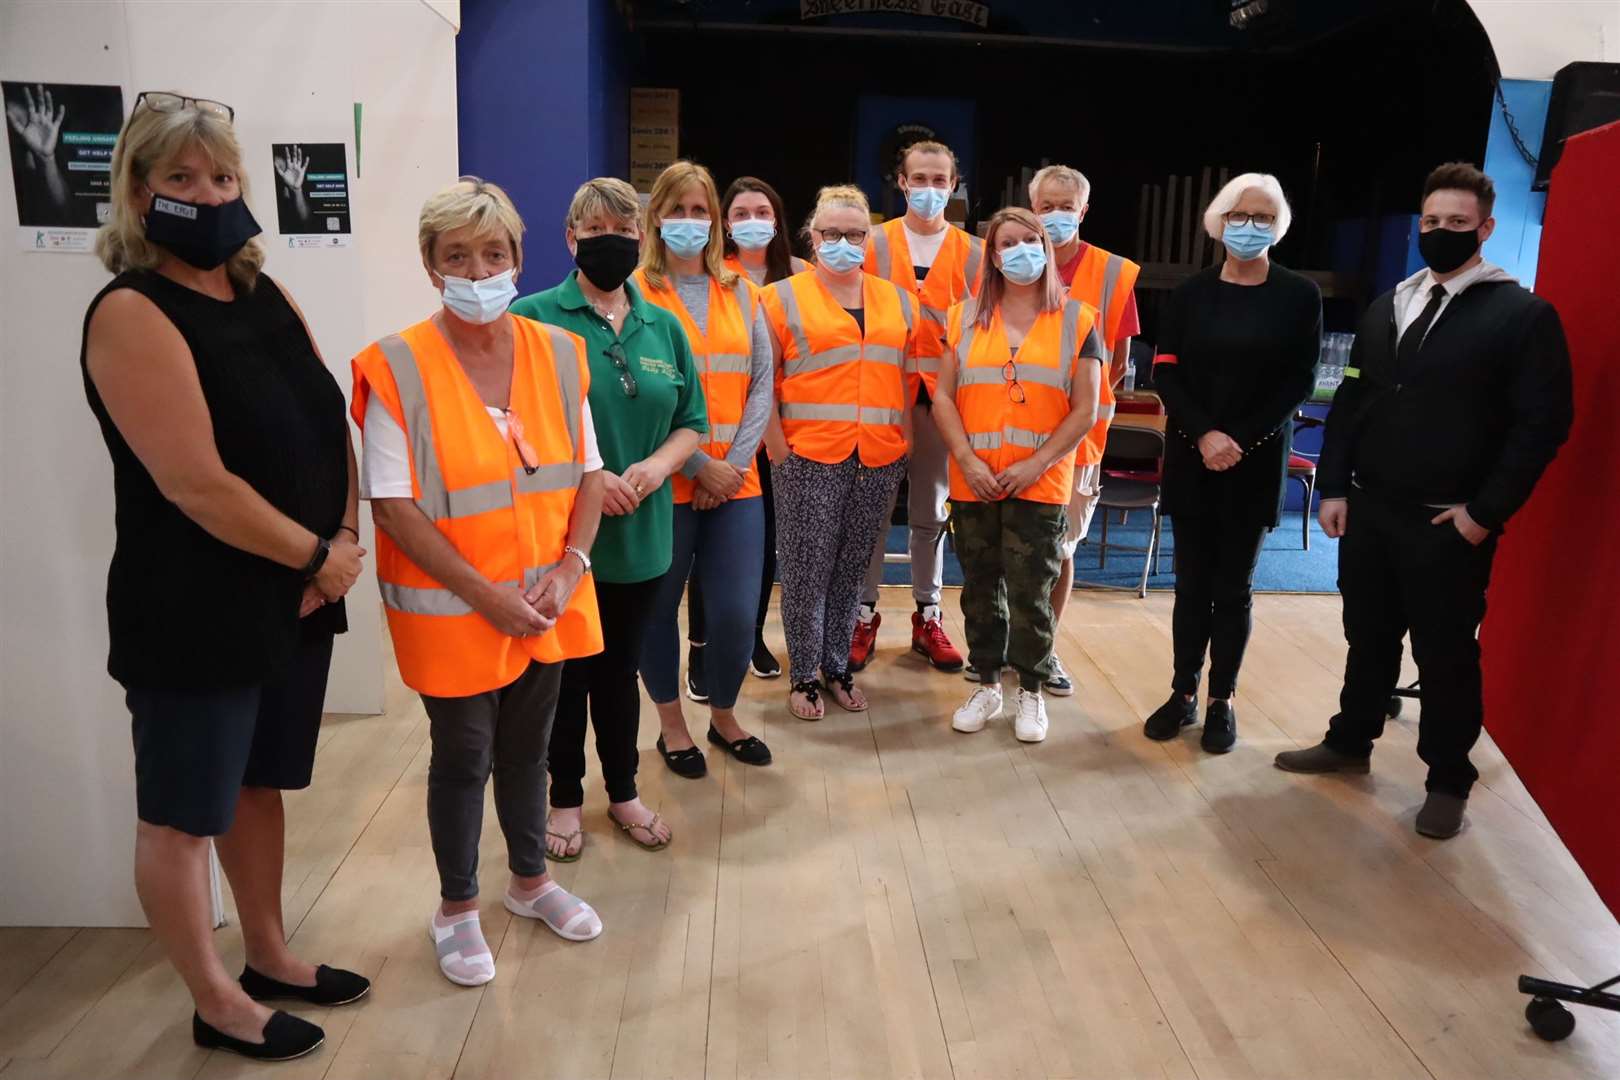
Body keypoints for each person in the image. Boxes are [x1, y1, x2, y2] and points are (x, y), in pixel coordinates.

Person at [82, 91, 367, 1062]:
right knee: (181, 812)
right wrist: (316, 555)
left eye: (223, 176)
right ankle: (213, 999)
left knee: (257, 787)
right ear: (136, 193)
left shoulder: (264, 292)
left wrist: (342, 532)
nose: (209, 194)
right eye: (181, 179)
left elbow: (329, 415)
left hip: (294, 598)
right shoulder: (131, 312)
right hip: (195, 609)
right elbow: (197, 484)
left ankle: (270, 955)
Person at [354, 177, 607, 987]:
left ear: (517, 259)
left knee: (530, 752)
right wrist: (489, 596)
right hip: (455, 611)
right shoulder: (397, 365)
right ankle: (456, 908)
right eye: (457, 255)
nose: (477, 268)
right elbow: (394, 509)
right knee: (464, 755)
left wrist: (571, 567)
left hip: (546, 604)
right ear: (431, 266)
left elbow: (589, 475)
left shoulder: (558, 352)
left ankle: (530, 883)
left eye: (493, 253)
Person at [1276, 163, 1573, 839]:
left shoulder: (1523, 317)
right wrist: (1331, 485)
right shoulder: (1390, 303)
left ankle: (1447, 779)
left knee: (1444, 656)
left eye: (1458, 224)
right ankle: (1350, 742)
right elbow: (1353, 399)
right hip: (1370, 509)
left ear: (1487, 228)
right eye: (1432, 222)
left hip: (1449, 521)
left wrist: (1482, 514)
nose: (1441, 233)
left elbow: (1543, 425)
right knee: (1367, 638)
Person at [510, 177, 706, 856]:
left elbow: (692, 423)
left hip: (644, 533)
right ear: (570, 239)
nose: (609, 242)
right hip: (564, 538)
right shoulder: (533, 317)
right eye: (594, 231)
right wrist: (591, 481)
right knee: (565, 676)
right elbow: (514, 427)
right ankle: (564, 798)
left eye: (623, 230)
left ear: (641, 239)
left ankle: (621, 792)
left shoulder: (664, 325)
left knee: (620, 672)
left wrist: (655, 469)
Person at [1143, 173, 1321, 754]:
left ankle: (1223, 700)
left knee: (1234, 587)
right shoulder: (1191, 293)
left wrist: (1238, 438)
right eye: (1241, 216)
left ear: (1280, 227)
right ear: (1219, 222)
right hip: (1195, 455)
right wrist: (1206, 434)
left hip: (1256, 458)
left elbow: (1301, 378)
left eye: (1264, 218)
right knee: (1190, 583)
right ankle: (1182, 692)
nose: (1250, 227)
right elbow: (1165, 369)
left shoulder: (1298, 295)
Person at [932, 208, 1104, 742]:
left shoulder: (1079, 318)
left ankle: (1031, 689)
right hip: (974, 480)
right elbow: (941, 396)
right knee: (980, 589)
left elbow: (1086, 409)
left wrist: (1037, 463)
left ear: (1047, 249)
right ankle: (987, 684)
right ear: (993, 255)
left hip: (1041, 482)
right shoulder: (961, 317)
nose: (1021, 249)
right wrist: (965, 459)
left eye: (1031, 239)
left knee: (1033, 590)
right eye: (1008, 242)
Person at [632, 162, 774, 778]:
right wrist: (697, 464)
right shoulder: (635, 290)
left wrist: (732, 465)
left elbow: (764, 381)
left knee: (738, 611)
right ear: (655, 217)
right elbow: (632, 390)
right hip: (666, 482)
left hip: (736, 484)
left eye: (700, 212)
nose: (689, 222)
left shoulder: (741, 289)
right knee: (657, 611)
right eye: (677, 210)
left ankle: (723, 715)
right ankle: (670, 725)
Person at [761, 184, 915, 720]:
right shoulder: (777, 298)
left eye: (855, 233)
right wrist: (778, 449)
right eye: (832, 233)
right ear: (813, 236)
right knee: (806, 568)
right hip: (806, 456)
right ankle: (803, 674)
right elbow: (762, 383)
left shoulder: (898, 300)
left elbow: (911, 376)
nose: (843, 242)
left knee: (852, 569)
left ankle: (837, 665)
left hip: (878, 455)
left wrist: (904, 442)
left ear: (869, 238)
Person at [852, 140, 983, 675]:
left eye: (940, 179)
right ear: (901, 183)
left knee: (931, 510)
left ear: (954, 185)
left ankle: (928, 612)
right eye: (919, 178)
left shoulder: (975, 252)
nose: (929, 188)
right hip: (881, 396)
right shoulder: (870, 243)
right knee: (874, 511)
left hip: (943, 400)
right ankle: (862, 612)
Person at [680, 175, 807, 696]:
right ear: (725, 224)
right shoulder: (714, 277)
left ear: (777, 219)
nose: (753, 221)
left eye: (763, 210)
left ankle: (750, 637)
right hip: (713, 443)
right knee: (705, 556)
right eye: (741, 213)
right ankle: (701, 647)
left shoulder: (801, 274)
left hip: (782, 439)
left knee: (763, 549)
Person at [1024, 164, 1143, 697]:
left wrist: (1074, 405)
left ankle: (1044, 649)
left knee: (1060, 548)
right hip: (1009, 432)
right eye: (1045, 206)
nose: (1055, 215)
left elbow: (1117, 360)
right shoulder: (1006, 262)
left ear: (1084, 211)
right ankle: (1006, 645)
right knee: (1009, 549)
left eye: (1065, 207)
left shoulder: (1115, 273)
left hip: (1078, 439)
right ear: (1031, 207)